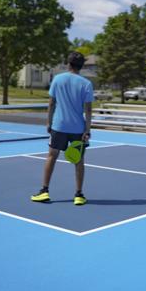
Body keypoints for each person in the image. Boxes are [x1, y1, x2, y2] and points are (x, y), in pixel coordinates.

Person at [31, 52, 94, 206]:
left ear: (68, 64)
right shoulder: (86, 84)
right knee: (79, 161)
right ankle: (79, 195)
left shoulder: (58, 79)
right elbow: (88, 110)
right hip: (78, 128)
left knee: (51, 156)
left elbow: (51, 103)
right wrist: (87, 130)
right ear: (81, 66)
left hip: (59, 126)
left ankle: (44, 191)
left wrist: (48, 122)